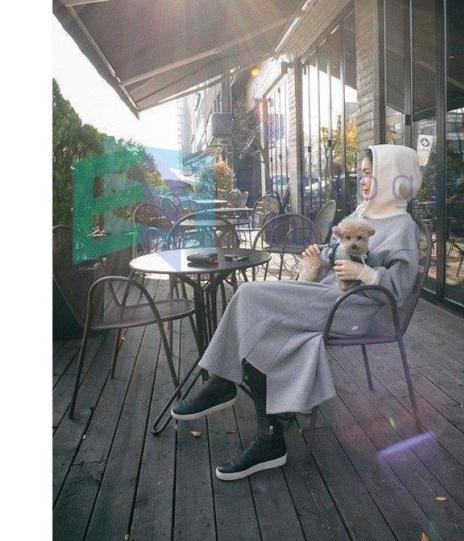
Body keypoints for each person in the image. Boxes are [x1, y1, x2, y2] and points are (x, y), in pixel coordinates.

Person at [171, 144, 423, 481]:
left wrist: (364, 272)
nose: (362, 180)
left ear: (393, 176)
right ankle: (268, 437)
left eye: (370, 174)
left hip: (353, 308)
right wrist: (321, 255)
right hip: (328, 294)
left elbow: (399, 289)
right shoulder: (364, 213)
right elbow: (338, 251)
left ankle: (223, 383)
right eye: (362, 173)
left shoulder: (403, 226)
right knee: (261, 320)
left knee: (249, 296)